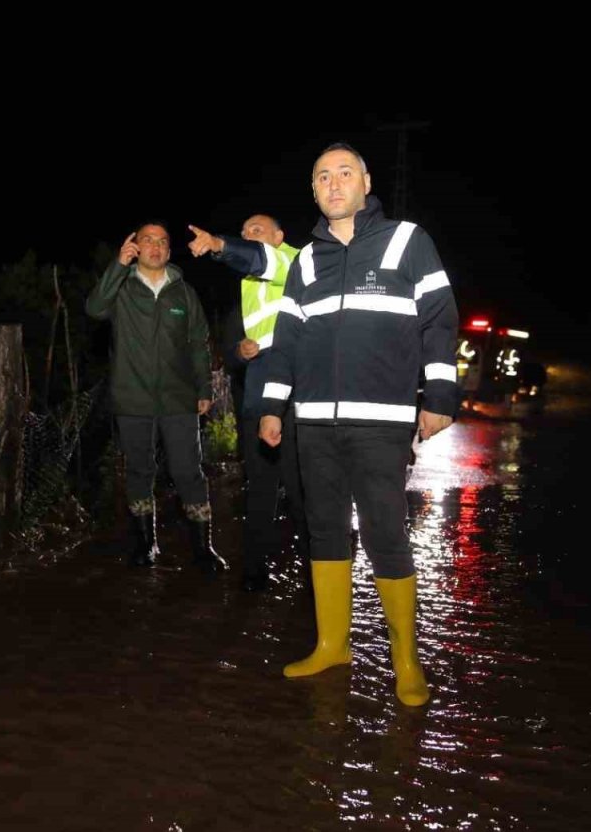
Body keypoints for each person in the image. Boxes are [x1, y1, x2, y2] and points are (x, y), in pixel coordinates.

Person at [258, 143, 459, 706]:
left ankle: (406, 659)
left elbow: (440, 320)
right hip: (315, 423)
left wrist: (439, 394)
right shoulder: (305, 261)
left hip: (382, 424)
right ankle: (331, 644)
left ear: (366, 182)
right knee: (323, 530)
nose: (334, 182)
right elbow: (287, 340)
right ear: (315, 191)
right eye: (323, 176)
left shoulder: (406, 241)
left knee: (386, 536)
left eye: (345, 172)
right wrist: (273, 406)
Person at [85, 221, 226, 573]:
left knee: (188, 470)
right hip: (132, 397)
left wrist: (204, 389)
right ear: (136, 246)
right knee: (139, 470)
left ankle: (203, 548)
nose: (155, 247)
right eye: (147, 240)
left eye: (162, 242)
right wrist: (117, 265)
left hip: (179, 398)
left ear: (167, 250)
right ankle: (146, 545)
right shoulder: (122, 287)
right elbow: (94, 308)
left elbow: (198, 343)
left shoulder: (183, 292)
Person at [187, 215, 308, 592]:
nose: (249, 236)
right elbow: (229, 350)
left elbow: (259, 259)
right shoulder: (246, 287)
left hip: (296, 404)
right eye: (244, 233)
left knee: (303, 491)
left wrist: (222, 244)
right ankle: (254, 574)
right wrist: (239, 352)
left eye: (256, 231)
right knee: (259, 490)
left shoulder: (301, 263)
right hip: (257, 401)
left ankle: (318, 576)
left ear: (279, 236)